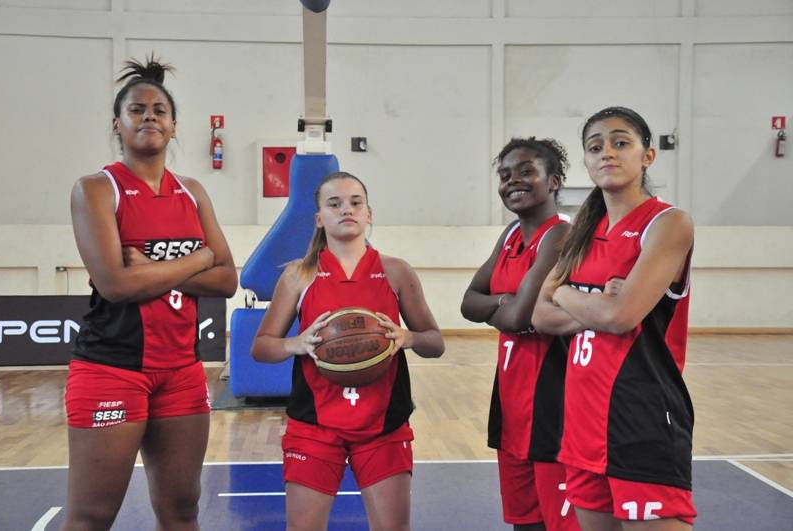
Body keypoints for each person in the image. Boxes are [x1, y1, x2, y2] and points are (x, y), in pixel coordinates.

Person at [63, 56, 237, 530]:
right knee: (91, 516)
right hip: (112, 368)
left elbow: (227, 279)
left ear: (174, 126)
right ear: (116, 124)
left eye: (160, 110)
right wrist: (199, 259)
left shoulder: (192, 191)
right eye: (136, 110)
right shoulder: (97, 190)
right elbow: (116, 285)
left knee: (182, 512)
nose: (149, 117)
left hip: (181, 370)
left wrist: (154, 268)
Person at [251, 171, 445, 531]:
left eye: (356, 203)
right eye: (334, 204)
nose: (347, 210)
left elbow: (435, 342)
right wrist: (297, 343)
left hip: (383, 423)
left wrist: (408, 338)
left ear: (369, 213)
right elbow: (261, 347)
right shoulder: (298, 275)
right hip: (314, 424)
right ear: (318, 218)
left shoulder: (396, 271)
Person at [532, 107, 696, 531]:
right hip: (582, 423)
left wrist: (565, 295)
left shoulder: (667, 223)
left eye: (621, 142)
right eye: (595, 147)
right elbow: (541, 315)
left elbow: (620, 316)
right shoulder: (582, 233)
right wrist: (589, 305)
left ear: (648, 156)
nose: (606, 152)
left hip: (642, 417)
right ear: (586, 162)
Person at [461, 138, 579, 531]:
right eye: (505, 174)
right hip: (512, 400)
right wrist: (504, 302)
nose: (513, 180)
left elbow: (519, 317)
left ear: (553, 181)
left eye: (527, 171)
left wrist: (501, 307)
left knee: (560, 524)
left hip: (553, 402)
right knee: (524, 522)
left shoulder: (560, 236)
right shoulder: (511, 234)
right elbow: (468, 303)